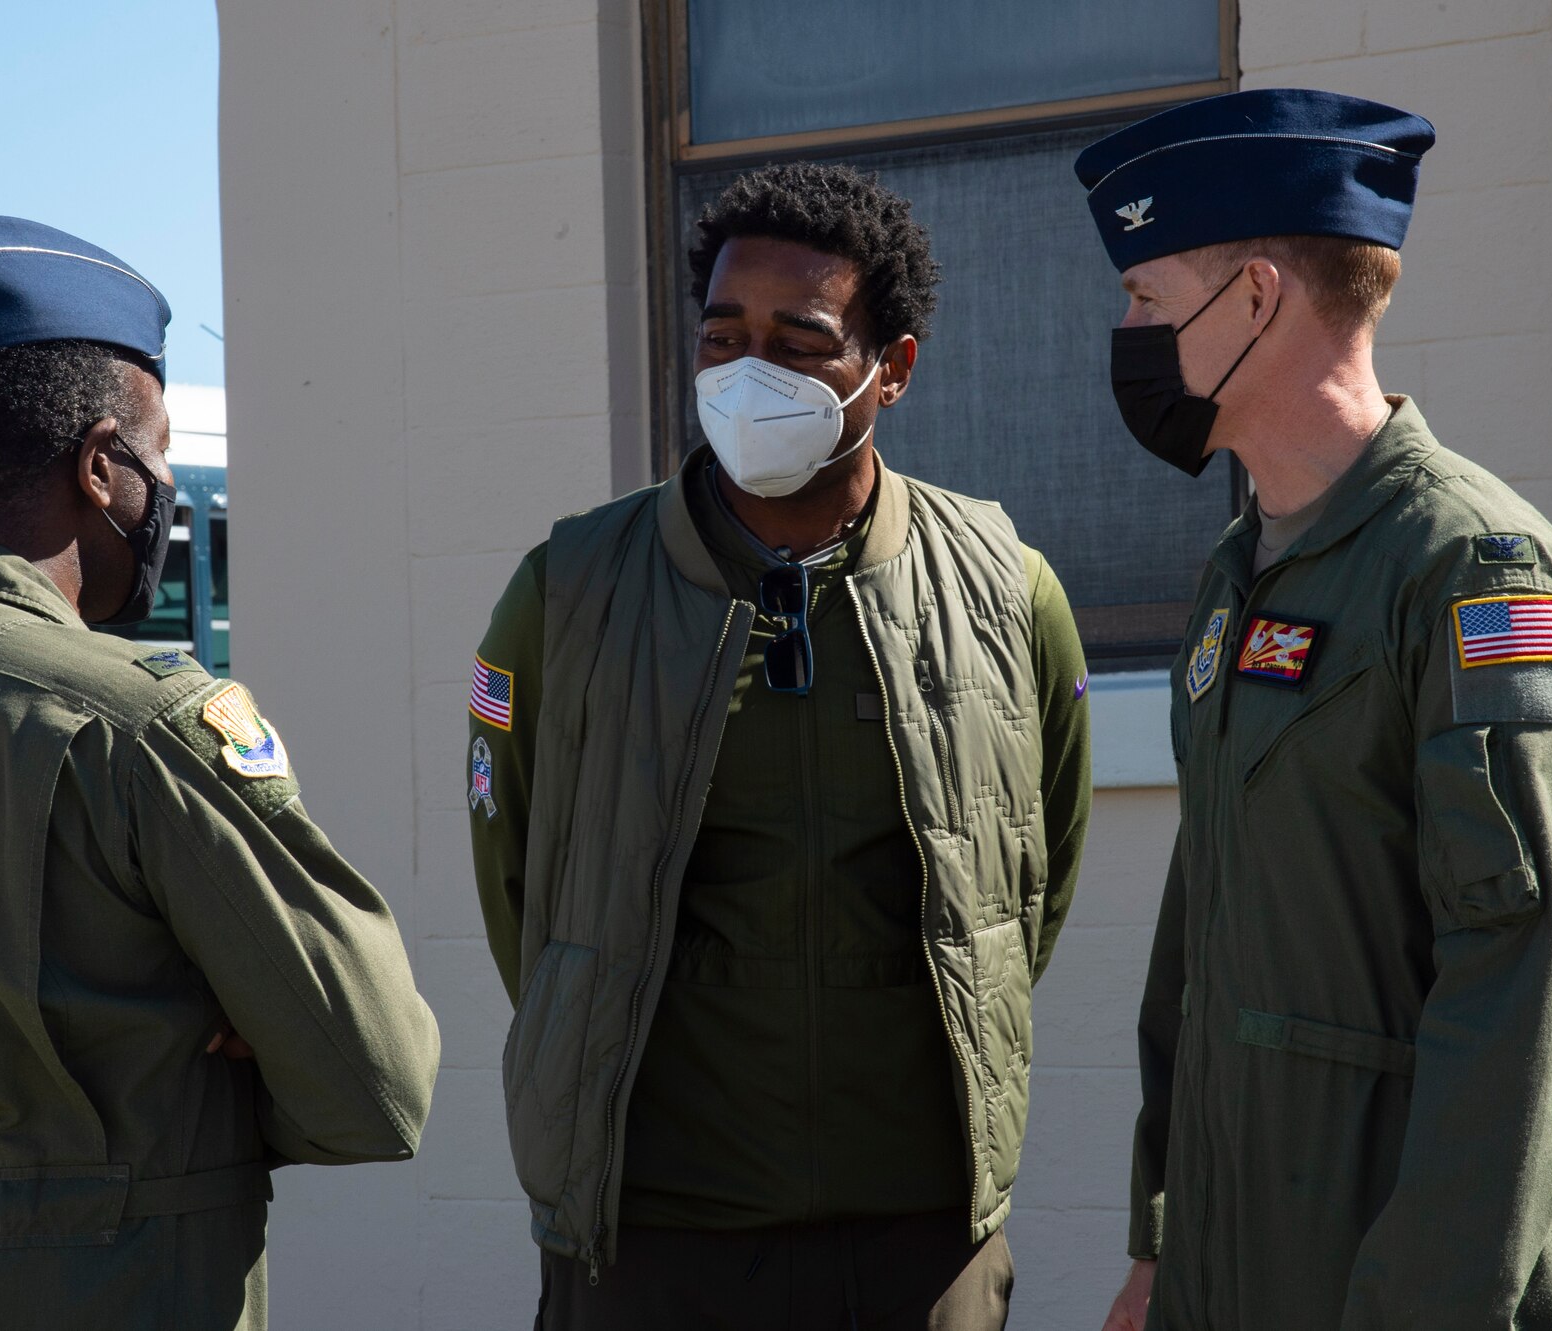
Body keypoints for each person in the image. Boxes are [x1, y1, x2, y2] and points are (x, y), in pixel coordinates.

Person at [0, 215, 441, 1331]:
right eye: (157, 455)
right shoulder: (144, 721)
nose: (162, 487)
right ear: (98, 464)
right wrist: (208, 1052)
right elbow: (376, 1083)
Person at [468, 164, 1092, 1329]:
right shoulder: (568, 592)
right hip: (651, 1231)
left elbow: (1027, 881)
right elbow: (524, 891)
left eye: (798, 343)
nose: (747, 371)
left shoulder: (1005, 588)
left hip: (916, 1233)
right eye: (721, 335)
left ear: (890, 369)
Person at [1072, 91, 1552, 1330]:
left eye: (1146, 300)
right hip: (1235, 1268)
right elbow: (1203, 925)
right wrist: (1162, 1242)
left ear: (1255, 296)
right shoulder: (1236, 573)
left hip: (1400, 1283)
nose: (1126, 332)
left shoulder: (1473, 572)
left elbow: (1528, 988)